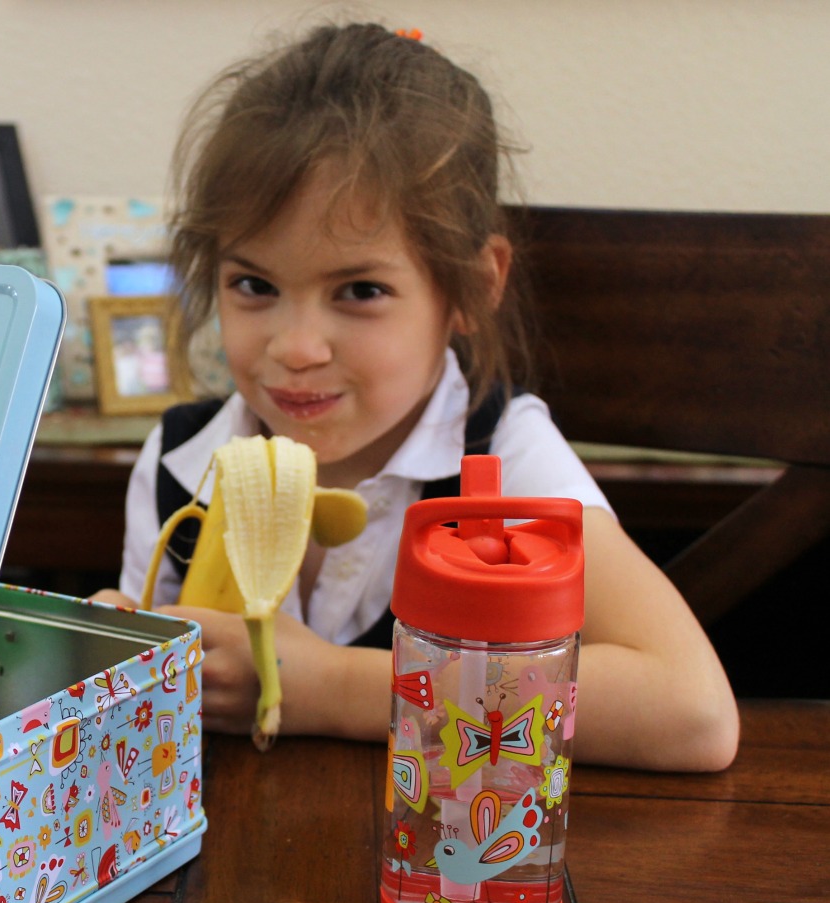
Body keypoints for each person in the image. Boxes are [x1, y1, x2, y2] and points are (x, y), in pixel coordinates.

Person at [91, 22, 739, 771]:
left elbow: (692, 712)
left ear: (474, 287)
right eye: (254, 286)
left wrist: (334, 688)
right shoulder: (181, 459)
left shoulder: (503, 455)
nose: (297, 347)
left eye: (361, 290)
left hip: (453, 865)